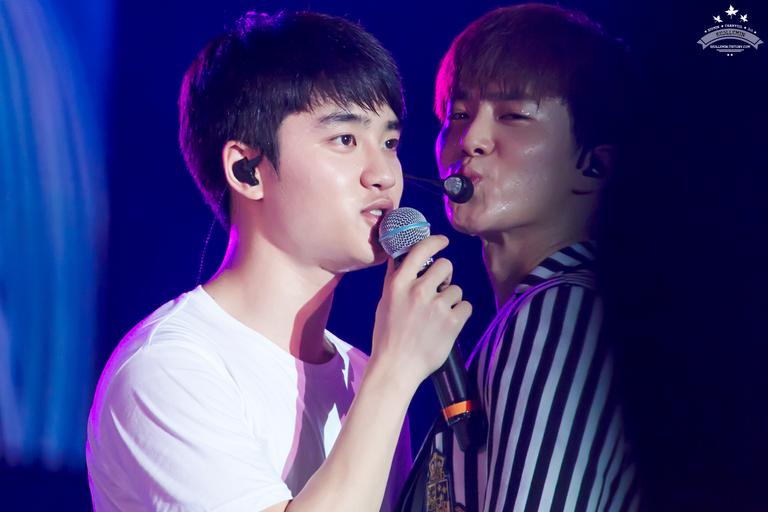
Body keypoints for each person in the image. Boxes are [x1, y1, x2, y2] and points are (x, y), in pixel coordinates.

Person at [86, 11, 472, 512]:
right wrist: (395, 372)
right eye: (345, 140)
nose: (383, 174)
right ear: (248, 171)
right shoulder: (169, 368)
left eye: (390, 142)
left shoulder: (362, 373)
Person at [398, 4, 639, 511]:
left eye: (513, 116)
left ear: (593, 167)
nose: (471, 140)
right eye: (458, 114)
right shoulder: (546, 310)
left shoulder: (561, 312)